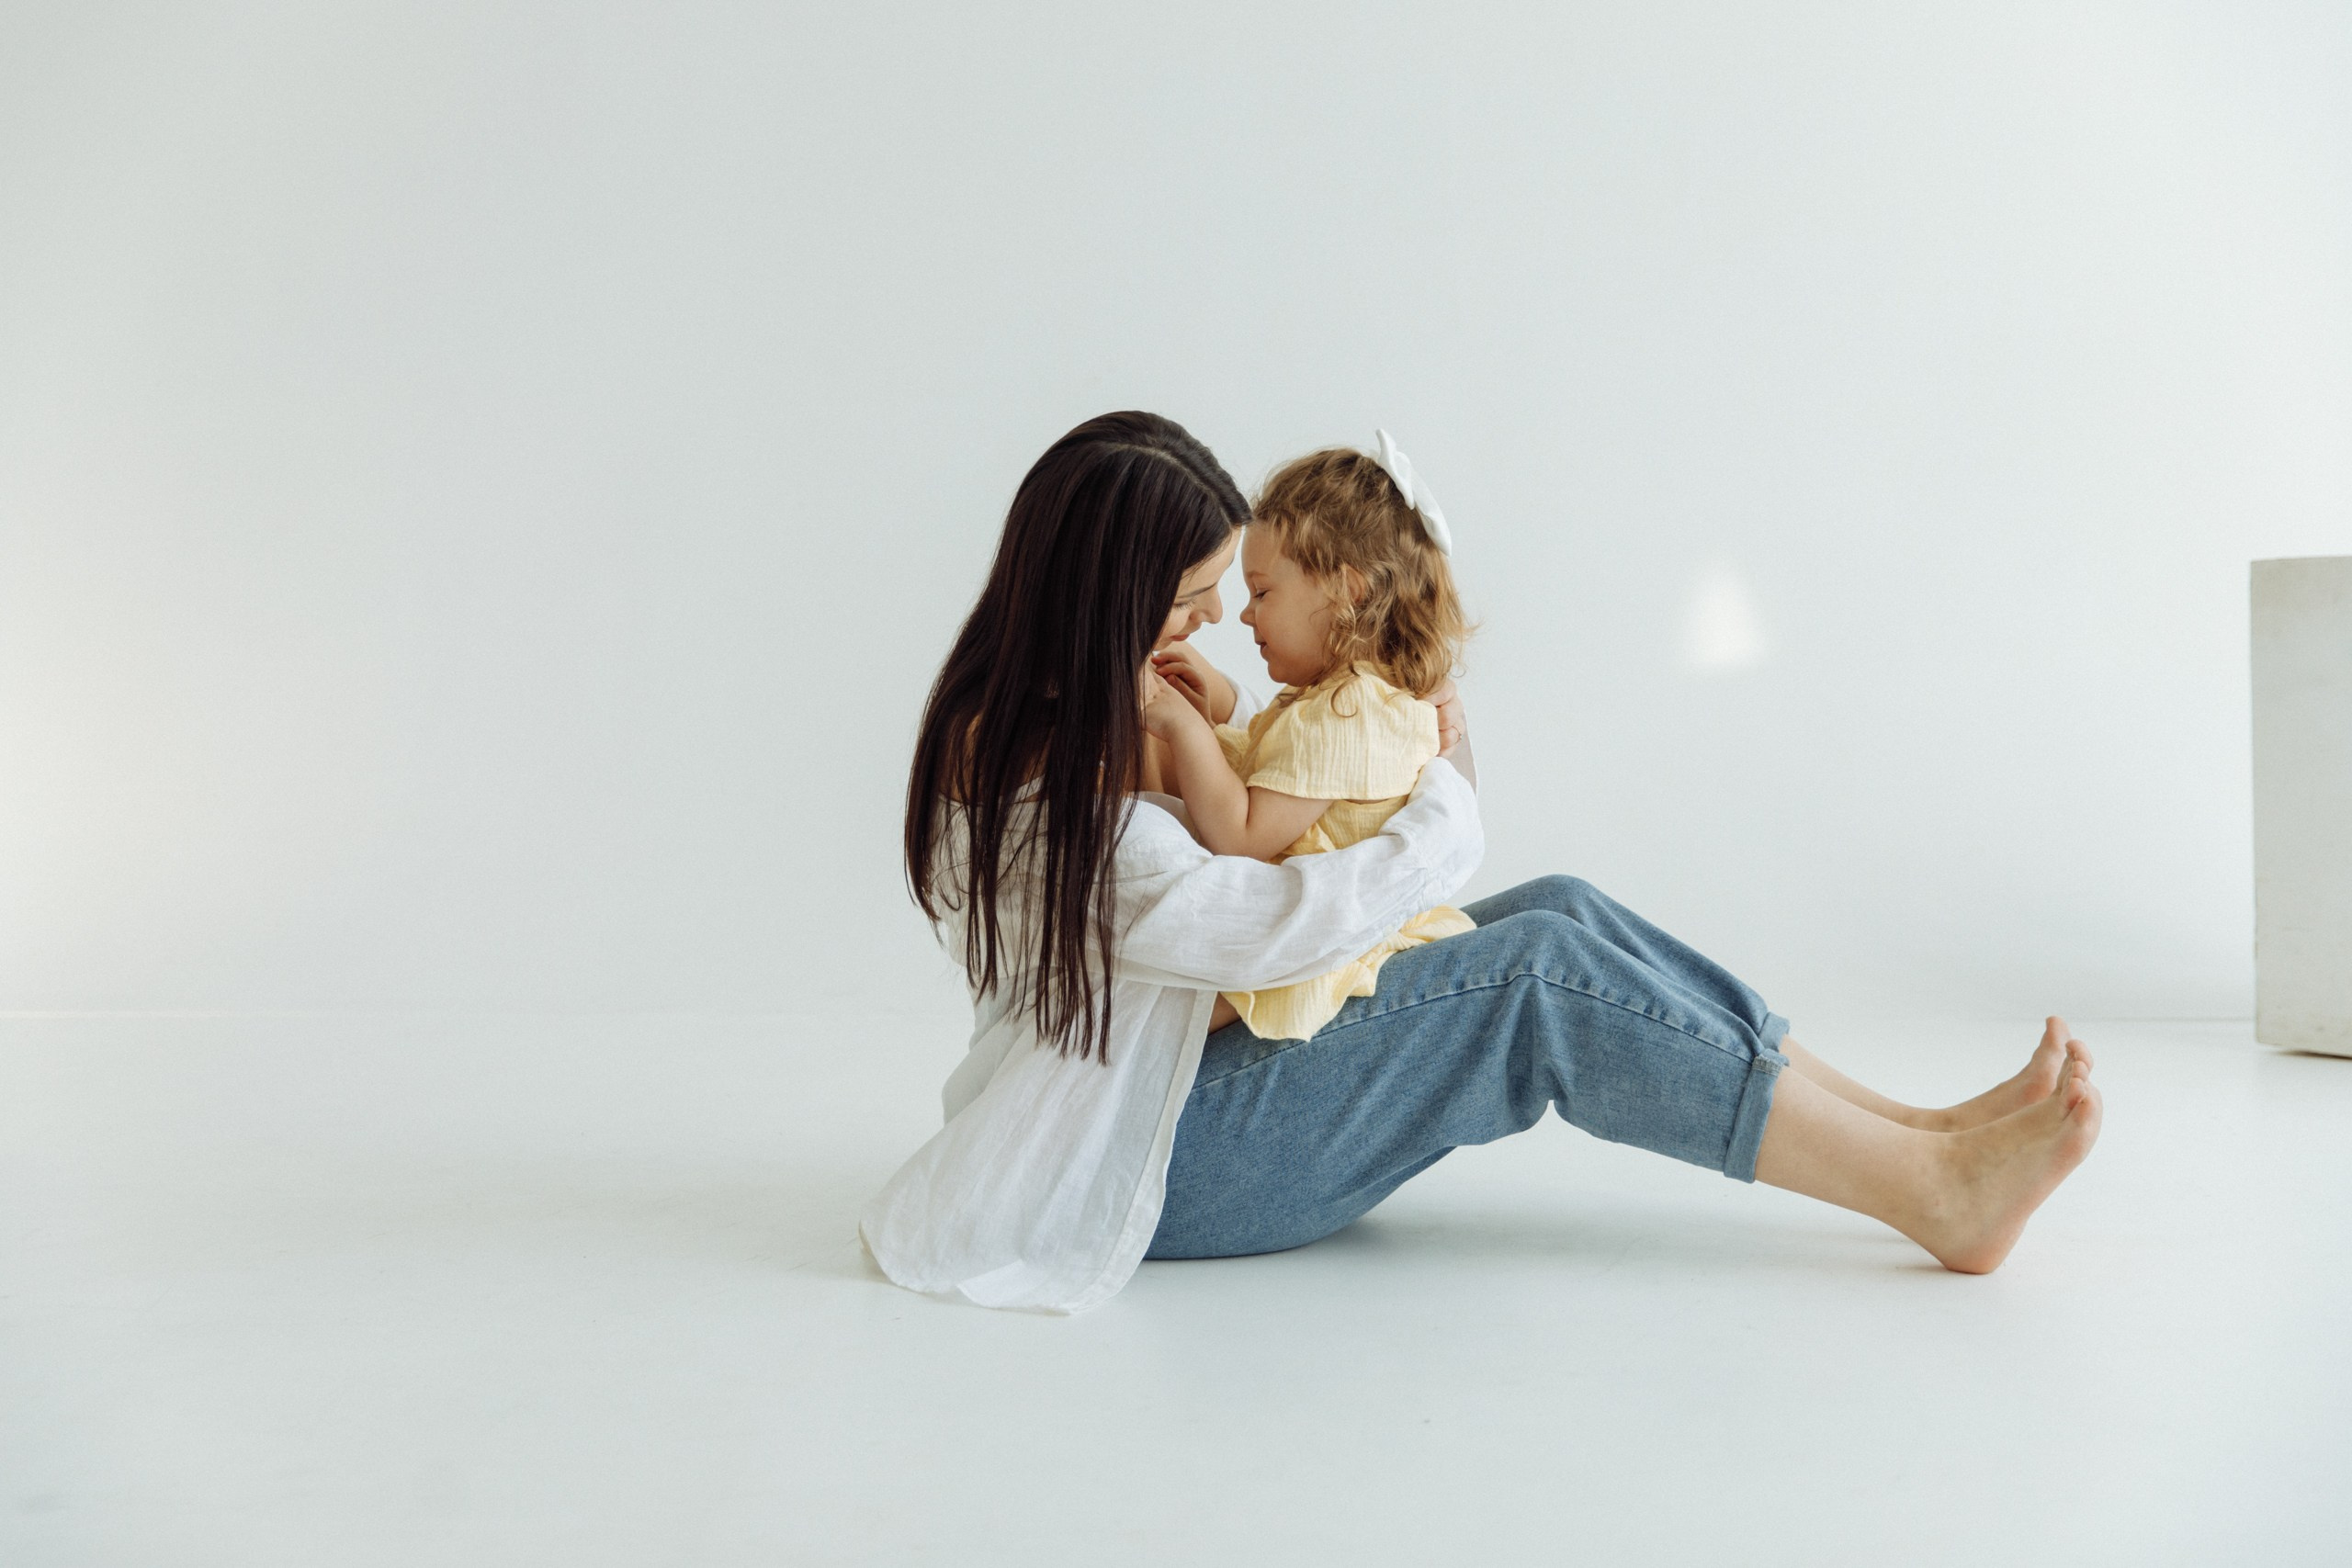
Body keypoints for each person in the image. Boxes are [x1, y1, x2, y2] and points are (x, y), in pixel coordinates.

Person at [861, 410, 2101, 1314]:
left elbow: (1229, 819)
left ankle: (1913, 1128)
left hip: (1176, 1087)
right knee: (1536, 979)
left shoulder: (1062, 705)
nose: (1208, 621)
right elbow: (1264, 921)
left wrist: (1230, 716)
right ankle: (1933, 1189)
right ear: (1106, 596)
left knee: (1558, 909)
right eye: (1186, 600)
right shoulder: (1039, 780)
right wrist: (1443, 808)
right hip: (1150, 1165)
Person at [1142, 434, 1475, 1044]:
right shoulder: (1340, 699)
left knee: (1181, 1005)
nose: (1243, 614)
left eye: (1262, 592)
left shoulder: (1349, 713)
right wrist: (1213, 713)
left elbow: (1241, 835)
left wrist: (1184, 728)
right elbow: (1269, 768)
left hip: (1341, 951)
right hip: (1333, 930)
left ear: (1348, 591)